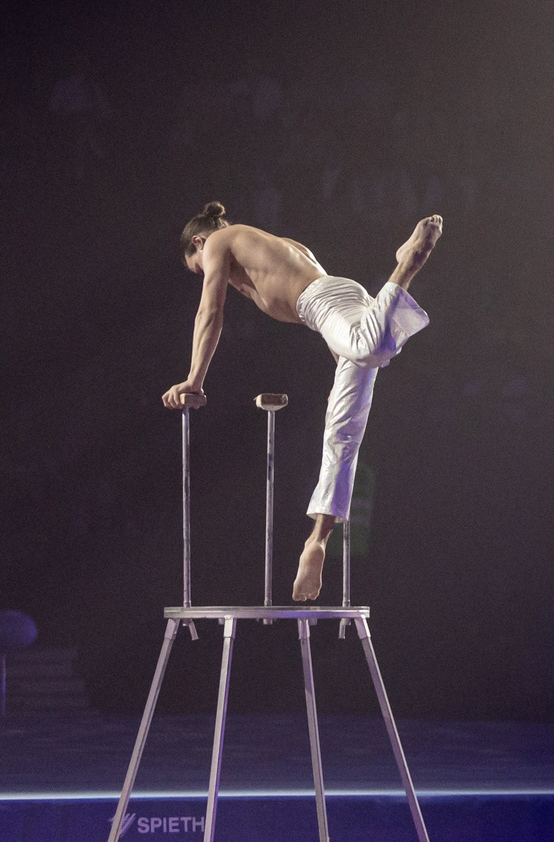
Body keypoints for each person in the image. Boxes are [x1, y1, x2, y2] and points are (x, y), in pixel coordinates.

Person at [164, 203, 442, 600]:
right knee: (343, 431)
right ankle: (318, 541)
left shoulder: (219, 242)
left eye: (198, 268)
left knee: (372, 346)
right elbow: (336, 310)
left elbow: (210, 311)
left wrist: (194, 379)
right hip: (344, 305)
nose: (206, 273)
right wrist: (336, 367)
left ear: (198, 242)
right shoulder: (275, 244)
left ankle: (405, 265)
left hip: (326, 304)